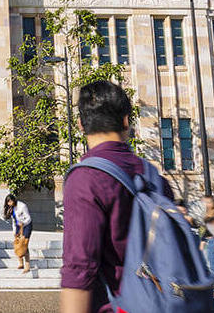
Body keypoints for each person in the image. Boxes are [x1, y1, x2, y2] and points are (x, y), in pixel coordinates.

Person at [59, 80, 174, 313]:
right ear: (126, 121)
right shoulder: (155, 177)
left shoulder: (85, 178)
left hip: (117, 305)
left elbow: (80, 267)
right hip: (162, 302)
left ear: (80, 124)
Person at [200, 194, 214, 299]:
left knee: (213, 268)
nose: (207, 204)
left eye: (209, 202)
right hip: (210, 241)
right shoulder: (208, 214)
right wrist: (203, 241)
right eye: (206, 202)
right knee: (212, 267)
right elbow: (207, 229)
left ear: (213, 203)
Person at [3, 193, 33, 273]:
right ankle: (20, 263)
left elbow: (29, 218)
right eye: (8, 202)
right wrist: (14, 231)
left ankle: (27, 266)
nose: (9, 204)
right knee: (17, 244)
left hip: (26, 225)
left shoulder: (22, 206)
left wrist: (23, 223)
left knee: (24, 244)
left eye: (10, 201)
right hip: (18, 227)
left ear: (13, 200)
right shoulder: (11, 208)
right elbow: (14, 221)